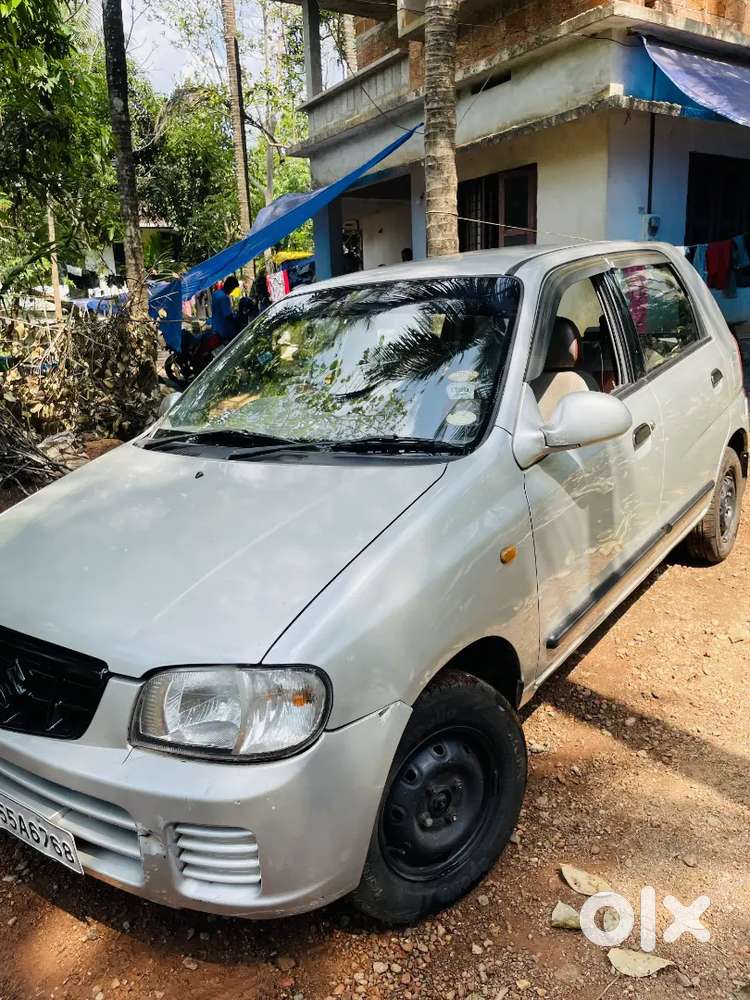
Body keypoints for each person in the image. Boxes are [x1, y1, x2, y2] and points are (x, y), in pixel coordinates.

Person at [210, 275, 240, 342]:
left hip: (215, 328)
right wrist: (236, 318)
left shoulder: (216, 294)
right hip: (224, 332)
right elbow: (228, 316)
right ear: (230, 286)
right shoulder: (224, 298)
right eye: (233, 288)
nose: (232, 291)